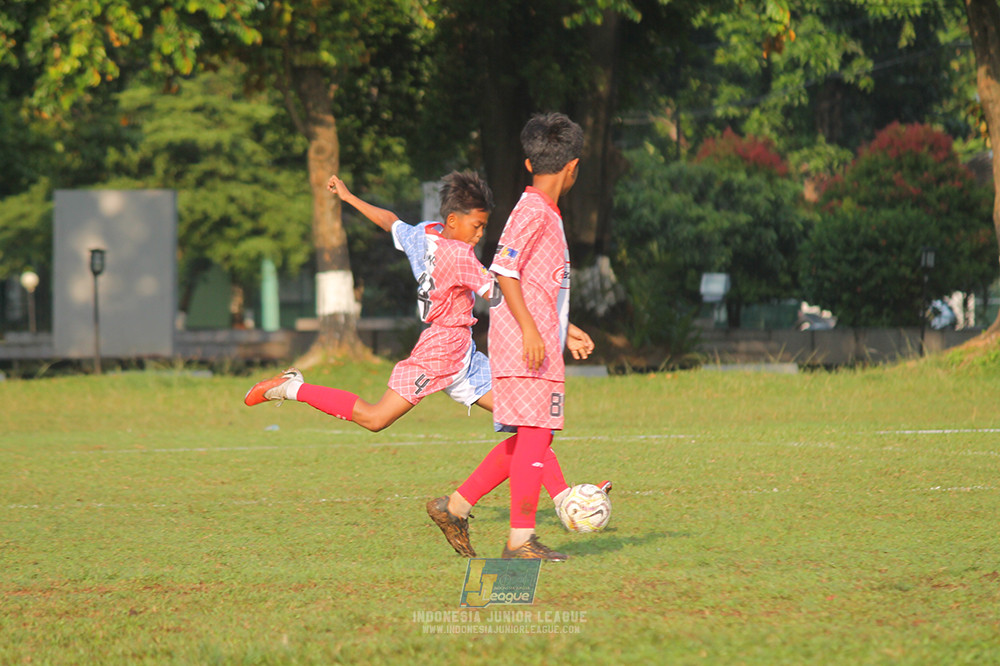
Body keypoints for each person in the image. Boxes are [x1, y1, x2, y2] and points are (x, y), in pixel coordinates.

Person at [244, 172, 596, 543]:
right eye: (476, 227)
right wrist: (562, 325)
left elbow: (389, 221)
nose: (479, 236)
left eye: (484, 227)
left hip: (465, 356)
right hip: (437, 354)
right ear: (454, 222)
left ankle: (564, 500)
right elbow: (504, 296)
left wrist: (349, 197)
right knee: (374, 417)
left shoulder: (425, 234)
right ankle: (290, 388)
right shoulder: (460, 257)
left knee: (529, 424)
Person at [426, 112, 594, 562]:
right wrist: (531, 330)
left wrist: (562, 327)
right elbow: (505, 271)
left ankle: (455, 506)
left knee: (535, 438)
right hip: (524, 341)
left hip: (534, 335)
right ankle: (520, 540)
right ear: (573, 167)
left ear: (528, 163)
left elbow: (538, 286)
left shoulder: (544, 212)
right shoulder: (533, 210)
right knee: (537, 434)